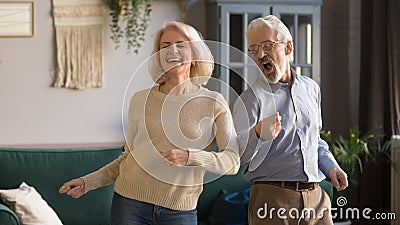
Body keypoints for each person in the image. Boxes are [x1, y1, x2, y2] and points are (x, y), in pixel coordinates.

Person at [59, 21, 240, 225]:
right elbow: (128, 157)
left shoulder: (214, 102)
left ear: (195, 54)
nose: (173, 50)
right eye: (165, 46)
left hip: (180, 211)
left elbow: (232, 161)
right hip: (129, 205)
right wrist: (88, 182)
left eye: (181, 44)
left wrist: (191, 156)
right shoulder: (139, 100)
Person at [232, 15, 348, 225]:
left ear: (287, 47)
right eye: (254, 49)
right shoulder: (249, 100)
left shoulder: (311, 88)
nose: (261, 54)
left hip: (317, 199)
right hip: (272, 201)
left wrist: (332, 167)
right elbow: (235, 154)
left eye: (267, 45)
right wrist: (258, 134)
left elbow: (315, 141)